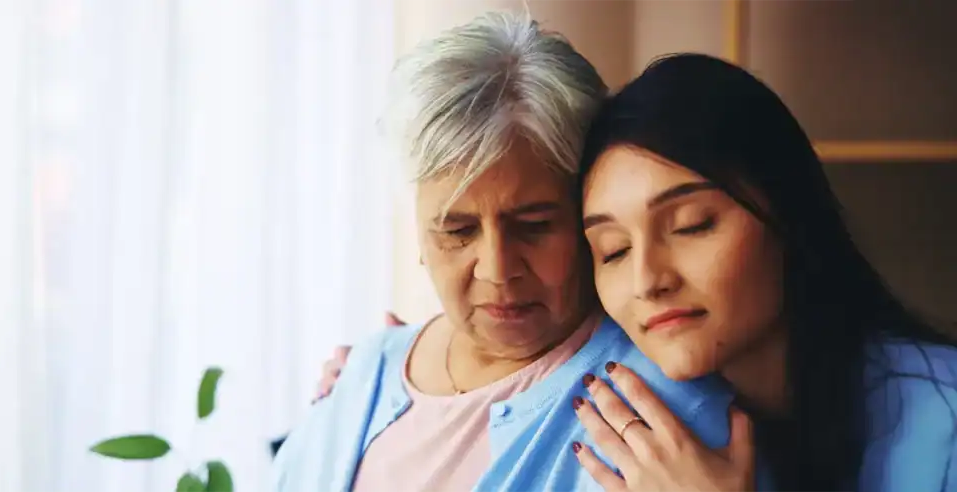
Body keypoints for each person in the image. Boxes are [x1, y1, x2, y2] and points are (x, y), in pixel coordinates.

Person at [317, 54, 957, 491]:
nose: (648, 280)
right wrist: (376, 375)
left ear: (790, 212)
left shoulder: (940, 418)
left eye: (692, 226)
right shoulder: (378, 377)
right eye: (613, 250)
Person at [271, 12, 768, 492]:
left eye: (534, 226)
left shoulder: (670, 424)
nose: (498, 269)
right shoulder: (364, 371)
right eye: (457, 231)